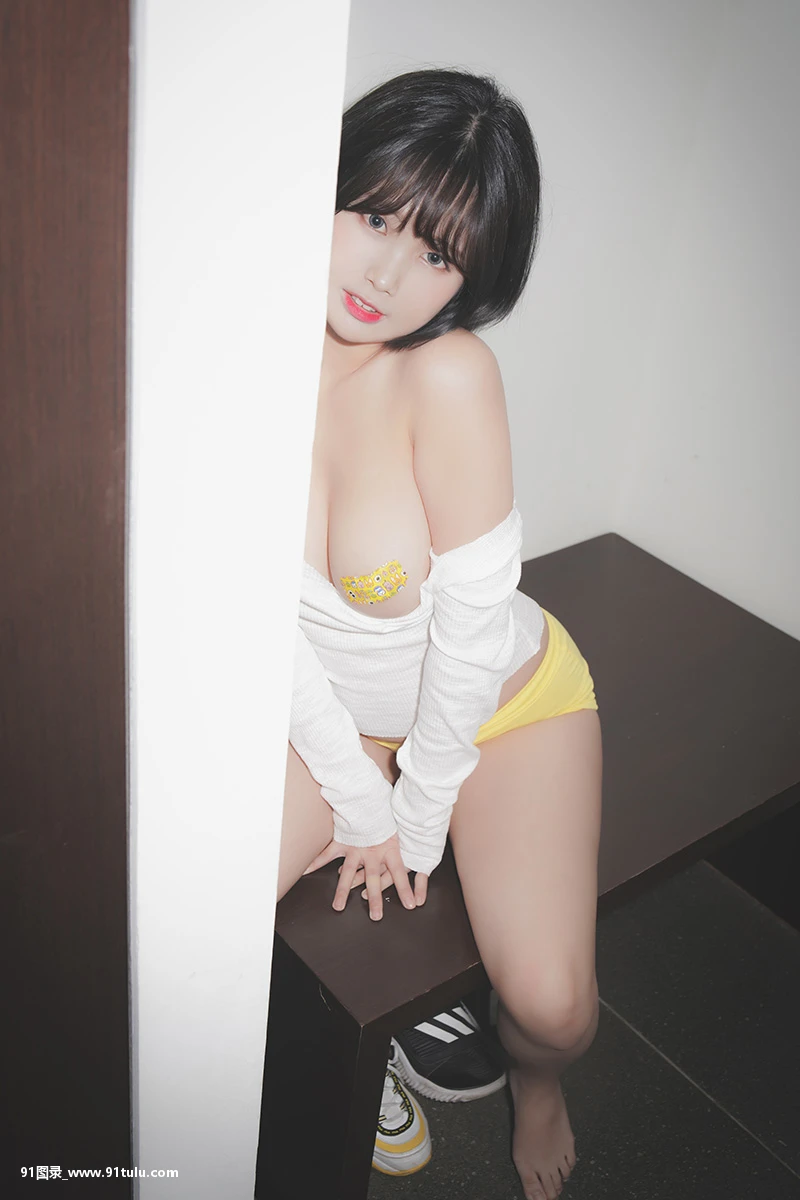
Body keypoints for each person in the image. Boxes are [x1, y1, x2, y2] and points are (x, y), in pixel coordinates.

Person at [276, 68, 603, 1200]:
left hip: (498, 708)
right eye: (373, 217)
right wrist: (360, 800)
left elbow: (467, 641)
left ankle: (535, 1082)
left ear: (474, 277)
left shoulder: (449, 378)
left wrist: (416, 822)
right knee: (196, 919)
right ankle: (347, 1073)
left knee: (553, 1007)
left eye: (435, 253)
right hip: (329, 718)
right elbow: (257, 632)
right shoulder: (234, 353)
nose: (385, 276)